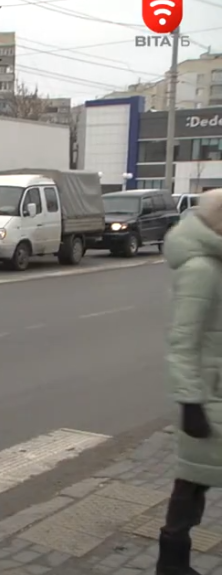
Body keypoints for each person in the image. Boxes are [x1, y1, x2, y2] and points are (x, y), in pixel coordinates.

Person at [157, 189, 222, 575]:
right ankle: (171, 562)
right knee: (192, 481)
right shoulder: (202, 268)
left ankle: (171, 562)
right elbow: (183, 340)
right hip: (210, 396)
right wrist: (190, 401)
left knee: (194, 481)